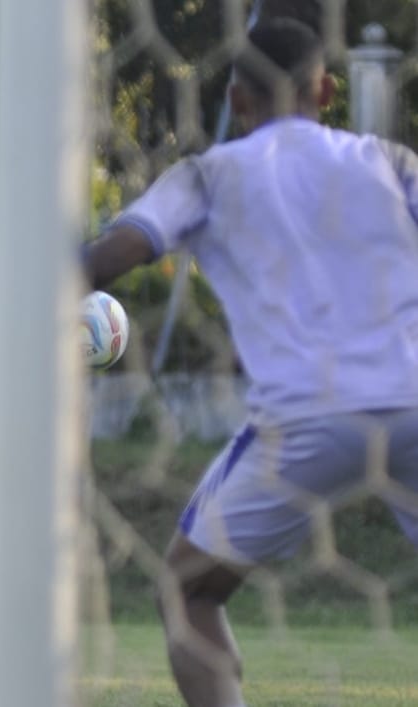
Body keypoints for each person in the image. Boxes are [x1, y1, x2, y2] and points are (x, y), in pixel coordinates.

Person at [82, 19, 418, 707]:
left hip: (308, 413)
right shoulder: (390, 160)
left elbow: (115, 254)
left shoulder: (209, 174)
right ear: (326, 89)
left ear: (237, 100)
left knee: (188, 590)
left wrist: (11, 299)